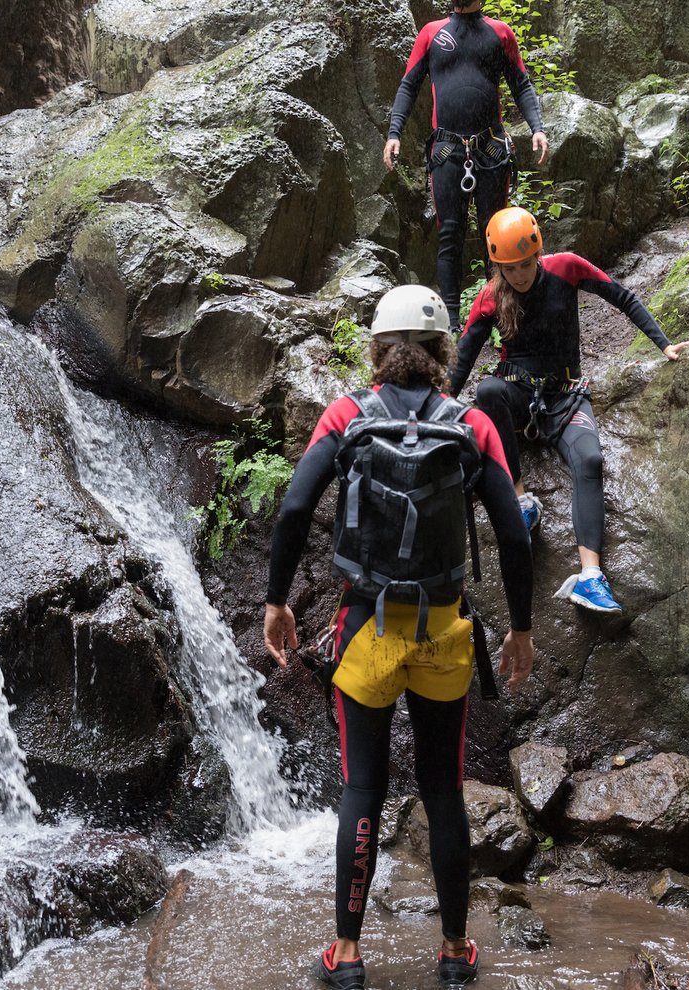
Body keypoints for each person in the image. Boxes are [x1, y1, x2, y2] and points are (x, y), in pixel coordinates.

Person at [263, 284, 535, 990]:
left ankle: (347, 956)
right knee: (443, 789)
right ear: (445, 350)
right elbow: (512, 532)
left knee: (364, 788)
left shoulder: (347, 415)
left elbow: (295, 507)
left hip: (366, 633)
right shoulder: (472, 424)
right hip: (443, 633)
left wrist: (276, 602)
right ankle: (452, 952)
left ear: (379, 350)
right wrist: (524, 629)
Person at [447, 206, 689, 616]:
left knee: (591, 459)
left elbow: (622, 296)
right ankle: (522, 501)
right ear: (498, 267)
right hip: (517, 397)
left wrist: (663, 344)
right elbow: (462, 362)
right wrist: (431, 409)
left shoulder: (566, 267)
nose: (520, 274)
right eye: (510, 268)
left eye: (526, 264)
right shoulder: (491, 297)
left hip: (566, 397)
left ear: (537, 254)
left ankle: (591, 576)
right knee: (489, 391)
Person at [383, 0, 551, 332]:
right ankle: (452, 325)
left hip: (490, 148)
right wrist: (394, 132)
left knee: (496, 235)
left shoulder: (500, 33)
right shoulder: (431, 34)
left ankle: (500, 318)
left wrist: (538, 127)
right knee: (449, 235)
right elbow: (408, 85)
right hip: (447, 150)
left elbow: (520, 84)